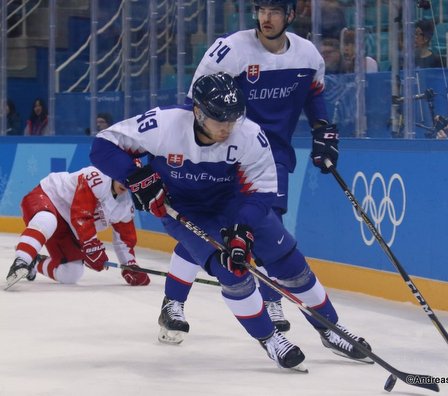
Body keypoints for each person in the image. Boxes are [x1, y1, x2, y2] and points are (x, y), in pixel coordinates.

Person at [89, 72, 372, 371]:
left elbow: (263, 191)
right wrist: (136, 177)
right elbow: (103, 146)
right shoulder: (164, 125)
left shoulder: (249, 134)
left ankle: (331, 330)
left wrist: (243, 228)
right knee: (232, 271)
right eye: (219, 119)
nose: (227, 127)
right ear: (198, 112)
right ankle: (270, 338)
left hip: (235, 204)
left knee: (289, 263)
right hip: (186, 209)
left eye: (232, 119)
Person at [159, 0, 340, 340]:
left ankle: (272, 300)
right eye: (261, 10)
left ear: (290, 15)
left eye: (274, 11)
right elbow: (192, 106)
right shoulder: (229, 51)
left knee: (266, 227)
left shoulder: (307, 55)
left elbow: (314, 95)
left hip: (273, 157)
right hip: (222, 155)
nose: (265, 18)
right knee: (206, 229)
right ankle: (174, 302)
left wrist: (323, 131)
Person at [5, 166, 150, 289]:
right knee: (47, 219)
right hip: (47, 197)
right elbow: (81, 215)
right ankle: (21, 261)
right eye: (123, 176)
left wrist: (129, 266)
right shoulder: (96, 177)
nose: (126, 183)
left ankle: (34, 262)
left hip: (68, 227)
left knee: (71, 273)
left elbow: (124, 240)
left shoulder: (125, 206)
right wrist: (91, 246)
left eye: (131, 180)